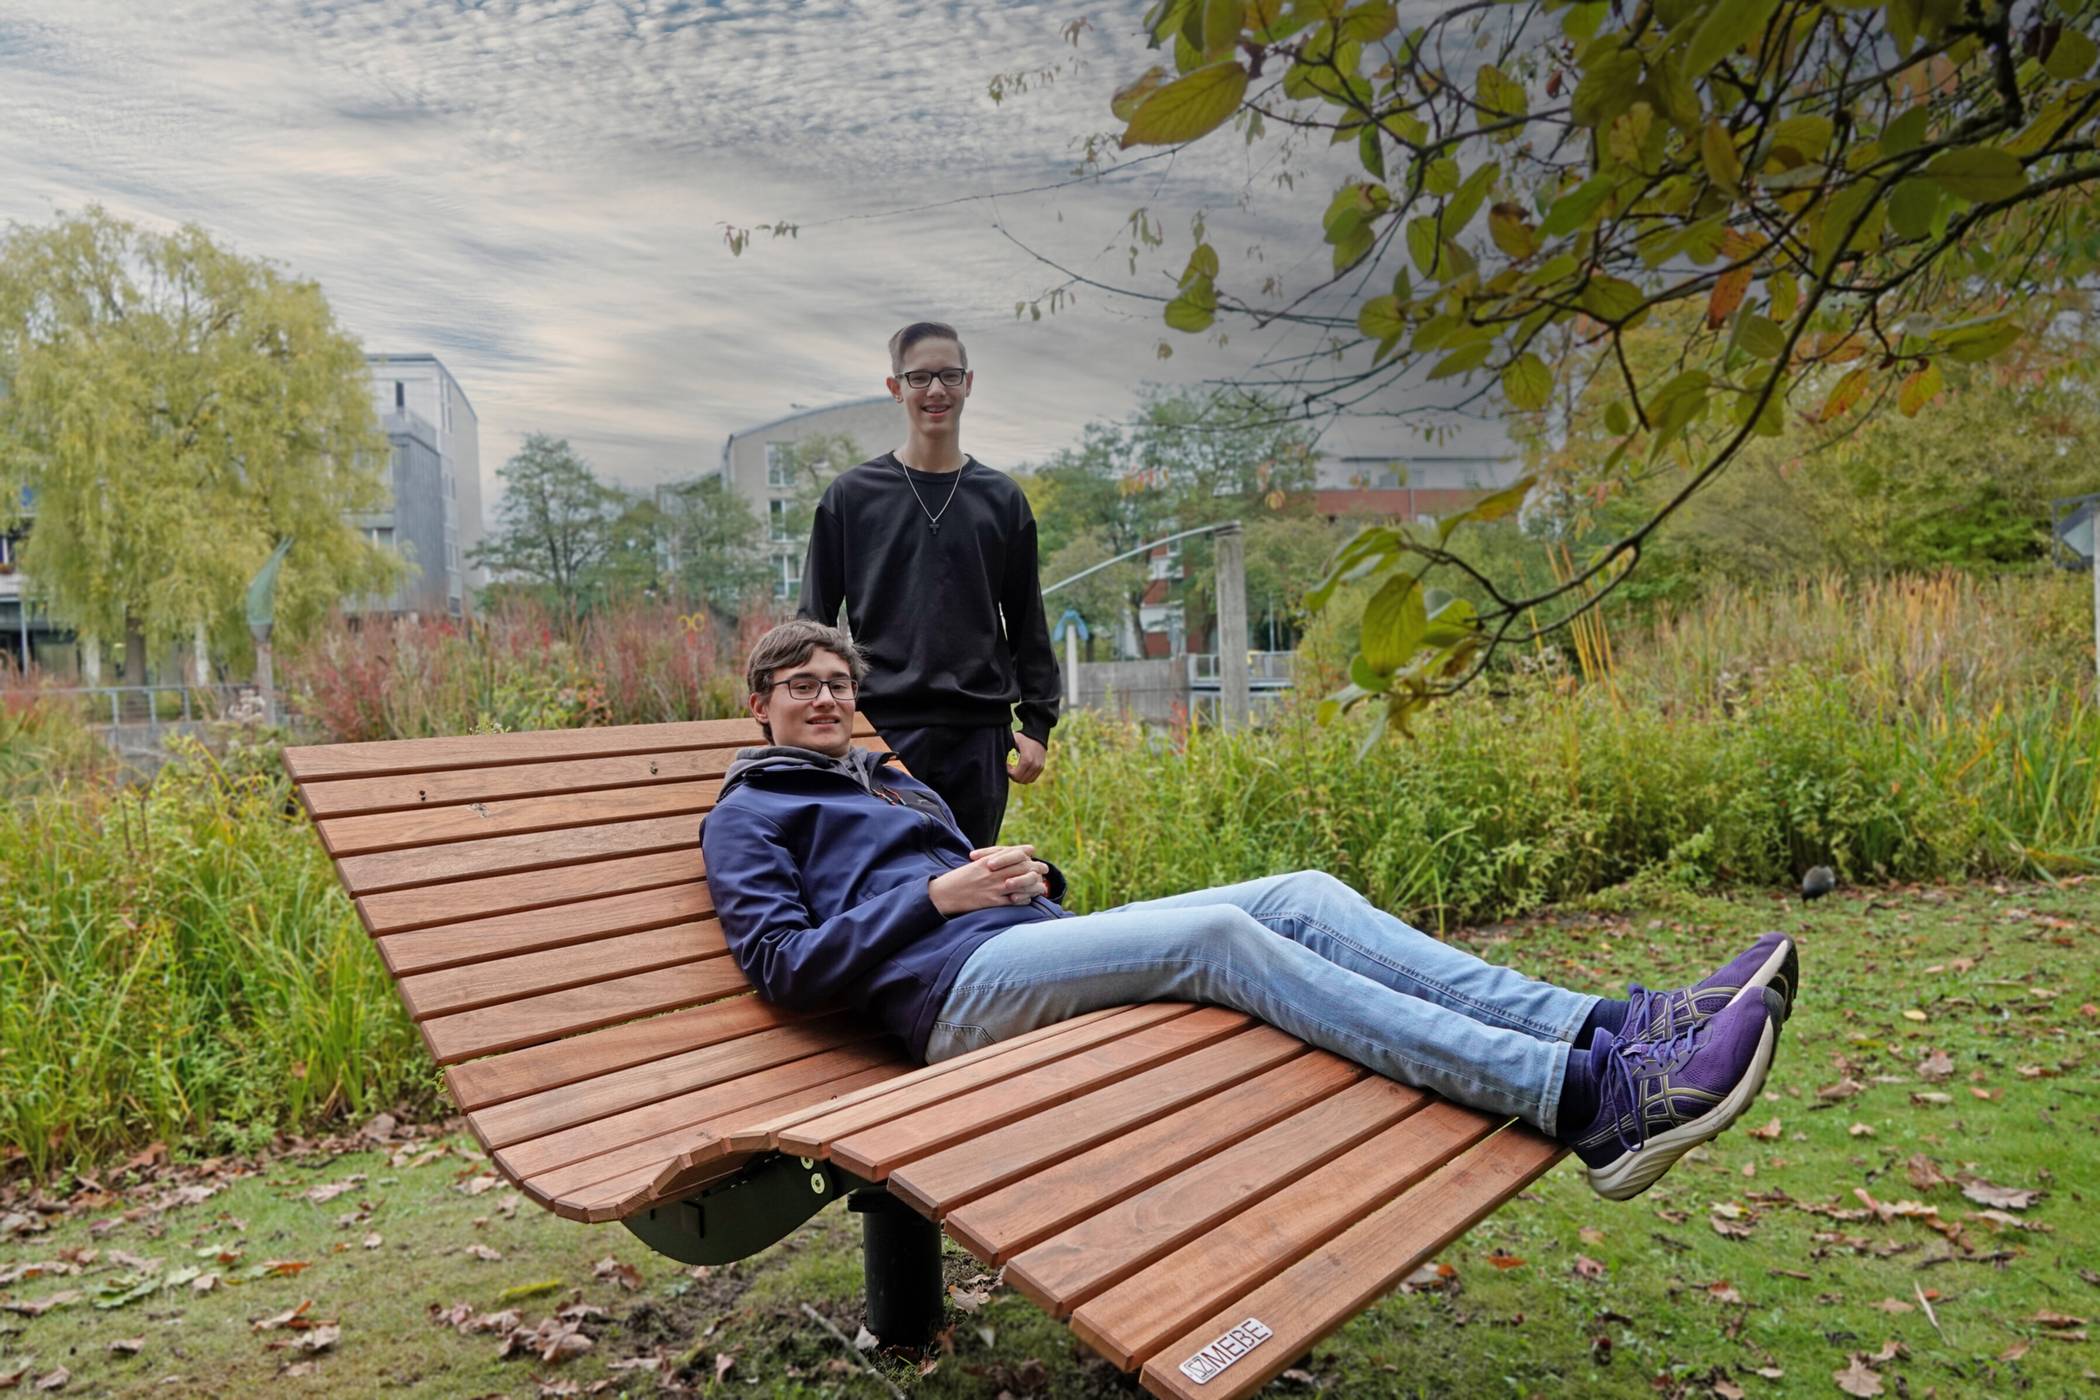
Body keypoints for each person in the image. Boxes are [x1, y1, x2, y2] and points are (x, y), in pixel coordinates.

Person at [702, 621, 1799, 1201]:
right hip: (944, 1003)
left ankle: (1612, 1024)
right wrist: (936, 894)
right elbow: (784, 964)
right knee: (1223, 938)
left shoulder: (893, 778)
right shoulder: (751, 811)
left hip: (1011, 947)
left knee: (1301, 891)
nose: (828, 697)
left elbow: (975, 890)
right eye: (801, 684)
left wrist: (1023, 877)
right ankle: (1585, 1099)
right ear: (759, 706)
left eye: (838, 681)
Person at [797, 320, 1059, 848]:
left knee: (969, 883)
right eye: (919, 377)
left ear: (968, 383)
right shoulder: (852, 497)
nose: (935, 390)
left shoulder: (1001, 499)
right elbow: (813, 624)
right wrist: (818, 716)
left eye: (948, 376)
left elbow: (1027, 616)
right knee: (887, 883)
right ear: (895, 388)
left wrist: (1037, 724)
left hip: (979, 735)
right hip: (880, 730)